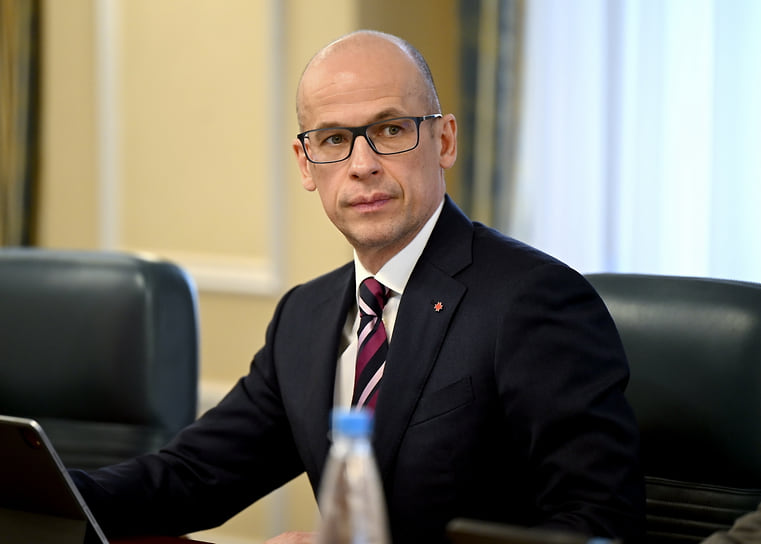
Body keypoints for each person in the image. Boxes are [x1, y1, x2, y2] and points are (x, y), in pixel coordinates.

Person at [70, 30, 645, 543]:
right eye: (333, 139)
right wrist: (50, 494)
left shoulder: (536, 301)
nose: (362, 164)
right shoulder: (305, 314)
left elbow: (597, 525)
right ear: (305, 163)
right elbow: (195, 476)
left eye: (390, 130)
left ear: (444, 141)